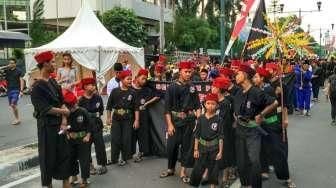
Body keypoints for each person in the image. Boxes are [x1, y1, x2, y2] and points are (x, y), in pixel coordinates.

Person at [30, 51, 71, 188]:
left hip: (60, 125)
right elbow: (45, 109)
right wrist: (63, 111)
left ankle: (66, 183)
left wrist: (64, 121)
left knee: (64, 154)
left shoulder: (53, 82)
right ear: (45, 64)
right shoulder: (36, 87)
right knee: (47, 157)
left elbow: (62, 101)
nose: (55, 64)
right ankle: (48, 185)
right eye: (52, 62)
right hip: (46, 127)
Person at [233, 63, 278, 188]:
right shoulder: (238, 93)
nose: (235, 76)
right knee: (241, 162)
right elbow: (235, 110)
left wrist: (261, 114)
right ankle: (245, 184)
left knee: (254, 161)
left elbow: (274, 102)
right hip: (240, 130)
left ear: (245, 75)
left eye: (238, 73)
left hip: (252, 131)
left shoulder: (257, 92)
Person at [253, 67, 296, 188]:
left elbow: (282, 105)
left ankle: (286, 177)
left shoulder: (271, 89)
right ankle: (264, 170)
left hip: (273, 124)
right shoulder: (255, 89)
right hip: (260, 126)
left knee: (278, 150)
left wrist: (285, 119)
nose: (253, 79)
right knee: (261, 149)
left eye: (256, 77)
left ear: (262, 78)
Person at [160, 61, 201, 184]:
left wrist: (198, 121)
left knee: (187, 147)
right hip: (175, 121)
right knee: (171, 147)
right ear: (180, 71)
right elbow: (167, 109)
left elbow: (198, 106)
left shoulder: (192, 87)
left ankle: (183, 171)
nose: (188, 74)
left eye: (190, 72)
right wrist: (170, 125)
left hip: (189, 122)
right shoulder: (172, 87)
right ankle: (170, 168)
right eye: (186, 72)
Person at [106, 70, 140, 166]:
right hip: (116, 118)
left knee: (126, 139)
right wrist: (108, 118)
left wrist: (137, 120)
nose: (130, 81)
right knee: (115, 139)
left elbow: (136, 108)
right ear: (122, 80)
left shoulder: (133, 92)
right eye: (128, 79)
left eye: (131, 79)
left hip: (128, 119)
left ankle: (125, 158)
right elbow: (108, 106)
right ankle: (114, 159)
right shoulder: (115, 91)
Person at [189, 93, 224, 188]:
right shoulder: (200, 118)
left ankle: (213, 186)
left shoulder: (219, 119)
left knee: (214, 169)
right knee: (198, 168)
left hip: (214, 148)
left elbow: (221, 137)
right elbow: (197, 135)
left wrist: (220, 151)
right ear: (204, 104)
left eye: (213, 104)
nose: (210, 105)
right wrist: (195, 149)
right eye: (208, 103)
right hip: (202, 147)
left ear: (217, 105)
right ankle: (194, 184)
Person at [78, 77, 108, 175]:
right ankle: (90, 166)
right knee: (86, 147)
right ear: (85, 87)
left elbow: (101, 111)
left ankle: (103, 165)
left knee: (100, 146)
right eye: (92, 85)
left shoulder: (98, 97)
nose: (94, 86)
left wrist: (93, 115)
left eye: (94, 84)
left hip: (97, 125)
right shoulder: (81, 100)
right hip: (86, 128)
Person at [63, 90, 92, 188]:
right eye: (69, 107)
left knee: (84, 160)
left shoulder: (82, 111)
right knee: (71, 159)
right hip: (71, 140)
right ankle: (74, 176)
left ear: (76, 103)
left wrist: (87, 136)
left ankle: (84, 179)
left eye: (72, 106)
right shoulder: (66, 114)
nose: (71, 109)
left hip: (83, 139)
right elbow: (64, 125)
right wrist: (67, 133)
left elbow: (89, 125)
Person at [211, 77, 236, 187]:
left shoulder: (225, 103)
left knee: (224, 155)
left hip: (224, 133)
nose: (212, 88)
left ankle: (225, 178)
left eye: (214, 87)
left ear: (219, 89)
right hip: (215, 132)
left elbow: (222, 120)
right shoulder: (213, 101)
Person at [132, 69, 159, 161]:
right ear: (137, 77)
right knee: (131, 134)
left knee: (143, 134)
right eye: (143, 79)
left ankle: (141, 152)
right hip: (131, 115)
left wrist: (147, 103)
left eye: (145, 79)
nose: (144, 81)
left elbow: (158, 95)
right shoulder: (130, 88)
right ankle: (129, 153)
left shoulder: (147, 89)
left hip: (143, 114)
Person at [4, 58, 25, 125]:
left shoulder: (19, 71)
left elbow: (21, 81)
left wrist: (21, 91)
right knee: (13, 105)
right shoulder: (7, 70)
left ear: (15, 64)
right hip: (9, 90)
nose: (11, 64)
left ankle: (17, 119)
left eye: (12, 63)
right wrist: (6, 66)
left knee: (13, 104)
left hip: (16, 90)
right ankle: (17, 118)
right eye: (10, 63)